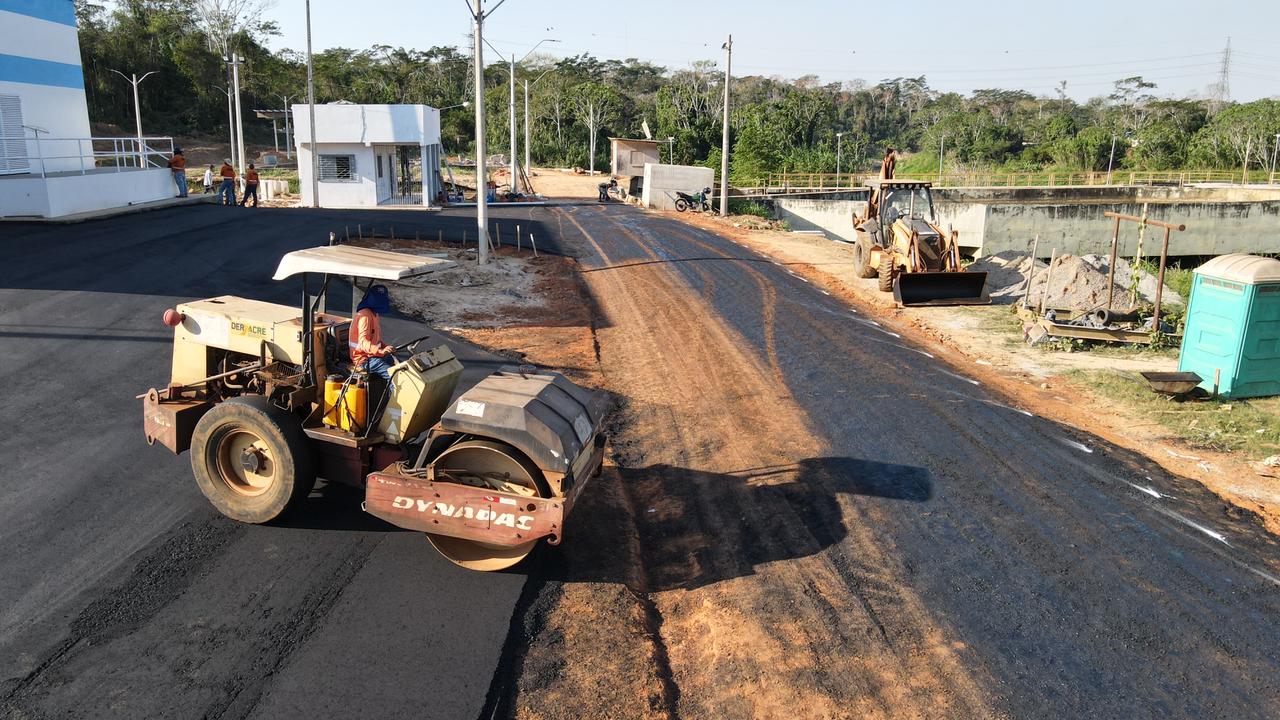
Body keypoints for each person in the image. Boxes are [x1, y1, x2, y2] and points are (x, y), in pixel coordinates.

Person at [350, 285, 397, 385]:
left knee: (400, 368)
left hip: (373, 355)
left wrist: (386, 347)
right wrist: (380, 351)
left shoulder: (374, 314)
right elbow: (363, 342)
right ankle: (395, 400)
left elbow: (376, 340)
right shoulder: (365, 316)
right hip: (364, 360)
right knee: (394, 377)